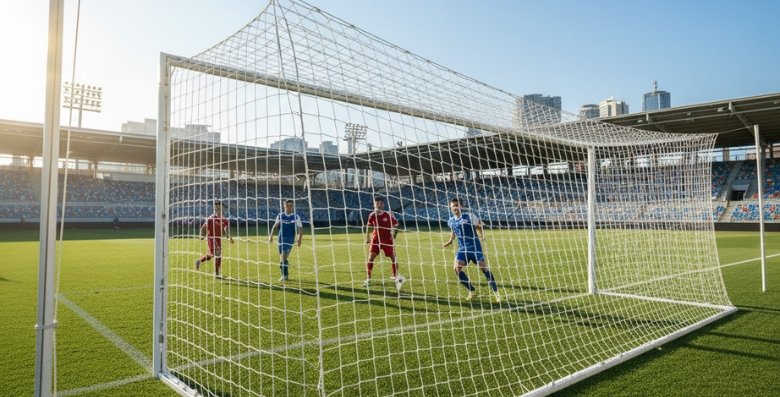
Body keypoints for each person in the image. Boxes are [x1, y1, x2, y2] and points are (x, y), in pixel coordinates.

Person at [443, 198, 500, 302]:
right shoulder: (451, 221)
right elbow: (454, 230)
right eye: (453, 206)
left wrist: (482, 235)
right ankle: (472, 291)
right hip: (462, 249)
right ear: (450, 208)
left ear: (461, 206)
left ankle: (497, 294)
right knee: (457, 268)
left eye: (457, 205)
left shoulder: (469, 216)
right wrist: (450, 240)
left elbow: (479, 226)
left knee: (484, 268)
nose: (455, 207)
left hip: (475, 247)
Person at [364, 196, 404, 291]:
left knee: (393, 258)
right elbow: (368, 226)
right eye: (377, 203)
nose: (379, 205)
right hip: (376, 240)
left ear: (383, 204)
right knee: (370, 258)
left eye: (381, 203)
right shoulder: (372, 215)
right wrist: (367, 237)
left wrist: (394, 234)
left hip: (387, 240)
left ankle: (395, 276)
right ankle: (368, 278)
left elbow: (396, 225)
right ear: (374, 204)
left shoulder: (388, 214)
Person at [195, 201, 234, 278]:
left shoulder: (224, 219)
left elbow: (226, 230)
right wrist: (202, 236)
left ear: (223, 209)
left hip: (218, 239)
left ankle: (199, 261)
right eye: (217, 208)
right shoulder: (211, 218)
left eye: (220, 208)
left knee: (212, 255)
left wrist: (229, 238)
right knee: (218, 253)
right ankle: (216, 274)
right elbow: (203, 228)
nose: (218, 209)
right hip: (211, 238)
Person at [269, 199, 303, 282]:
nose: (289, 207)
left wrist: (299, 239)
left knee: (283, 256)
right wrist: (271, 236)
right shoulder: (280, 215)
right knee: (282, 258)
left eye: (291, 205)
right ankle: (286, 273)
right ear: (284, 206)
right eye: (287, 206)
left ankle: (284, 275)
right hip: (281, 239)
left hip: (290, 239)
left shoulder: (296, 217)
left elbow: (300, 228)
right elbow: (275, 226)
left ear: (293, 207)